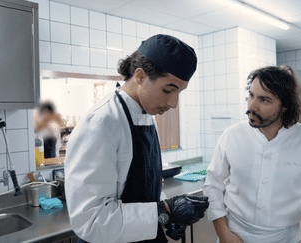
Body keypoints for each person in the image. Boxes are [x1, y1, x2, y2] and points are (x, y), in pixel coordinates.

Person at [64, 34, 209, 243]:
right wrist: (163, 212)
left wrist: (164, 217)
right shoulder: (101, 122)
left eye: (179, 92)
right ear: (140, 76)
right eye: (168, 90)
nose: (174, 103)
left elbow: (147, 188)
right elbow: (90, 220)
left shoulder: (146, 116)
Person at [203, 65, 301, 243]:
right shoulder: (231, 135)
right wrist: (224, 233)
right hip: (233, 234)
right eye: (251, 95)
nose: (252, 106)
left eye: (264, 100)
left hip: (284, 238)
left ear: (284, 106)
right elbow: (212, 185)